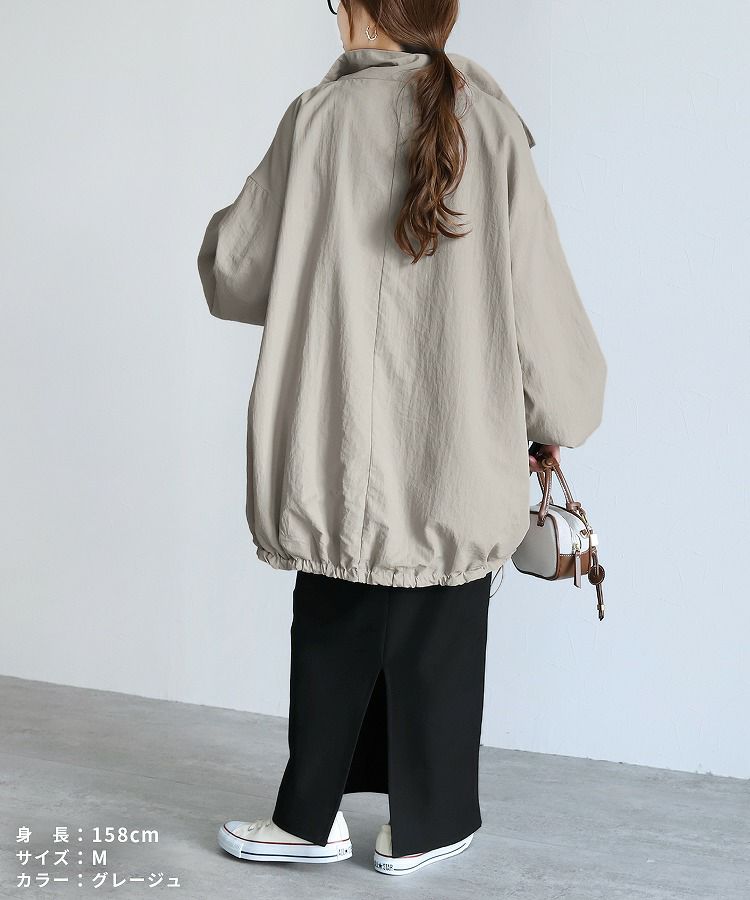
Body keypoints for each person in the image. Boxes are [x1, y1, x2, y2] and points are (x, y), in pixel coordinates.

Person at [198, 0, 606, 879]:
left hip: (336, 447)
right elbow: (537, 299)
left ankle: (309, 819)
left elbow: (234, 272)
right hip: (460, 446)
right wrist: (554, 419)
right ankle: (433, 821)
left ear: (358, 11)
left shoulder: (318, 119)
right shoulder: (492, 125)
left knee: (335, 615)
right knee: (442, 626)